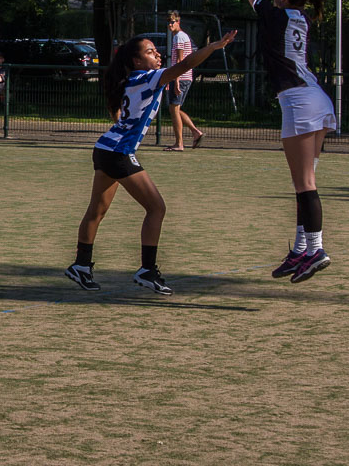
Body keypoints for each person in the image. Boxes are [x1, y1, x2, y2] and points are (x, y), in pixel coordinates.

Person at [64, 29, 238, 295]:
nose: (157, 54)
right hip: (118, 152)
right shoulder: (147, 78)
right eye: (149, 52)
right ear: (136, 61)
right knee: (156, 208)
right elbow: (185, 65)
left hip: (105, 148)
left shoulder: (133, 79)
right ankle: (147, 270)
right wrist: (214, 46)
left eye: (156, 50)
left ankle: (81, 265)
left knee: (96, 212)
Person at [238, 0, 338, 283]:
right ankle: (301, 250)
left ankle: (316, 249)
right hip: (317, 99)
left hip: (299, 102)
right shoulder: (299, 15)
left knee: (304, 184)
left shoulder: (275, 15)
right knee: (305, 181)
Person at [162, 12, 204, 150]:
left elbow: (180, 61)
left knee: (174, 108)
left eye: (172, 22)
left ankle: (179, 143)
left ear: (178, 22)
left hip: (182, 77)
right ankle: (195, 132)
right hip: (182, 76)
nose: (170, 24)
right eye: (168, 22)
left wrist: (176, 80)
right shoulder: (180, 36)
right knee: (175, 108)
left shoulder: (179, 37)